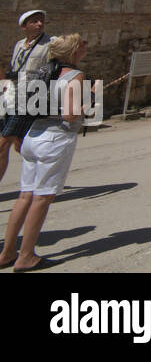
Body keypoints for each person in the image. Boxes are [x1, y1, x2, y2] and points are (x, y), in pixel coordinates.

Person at [0, 33, 87, 271]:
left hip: (32, 135)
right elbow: (70, 114)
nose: (85, 49)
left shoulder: (41, 72)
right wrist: (89, 103)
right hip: (55, 138)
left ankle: (7, 252)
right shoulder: (75, 76)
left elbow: (27, 105)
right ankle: (26, 255)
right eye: (82, 46)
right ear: (73, 52)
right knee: (42, 198)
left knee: (25, 195)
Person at [0, 9, 53, 186]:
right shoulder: (19, 45)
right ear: (24, 26)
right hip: (12, 96)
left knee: (3, 143)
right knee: (16, 143)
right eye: (35, 21)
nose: (40, 24)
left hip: (29, 98)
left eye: (41, 21)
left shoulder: (50, 44)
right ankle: (41, 171)